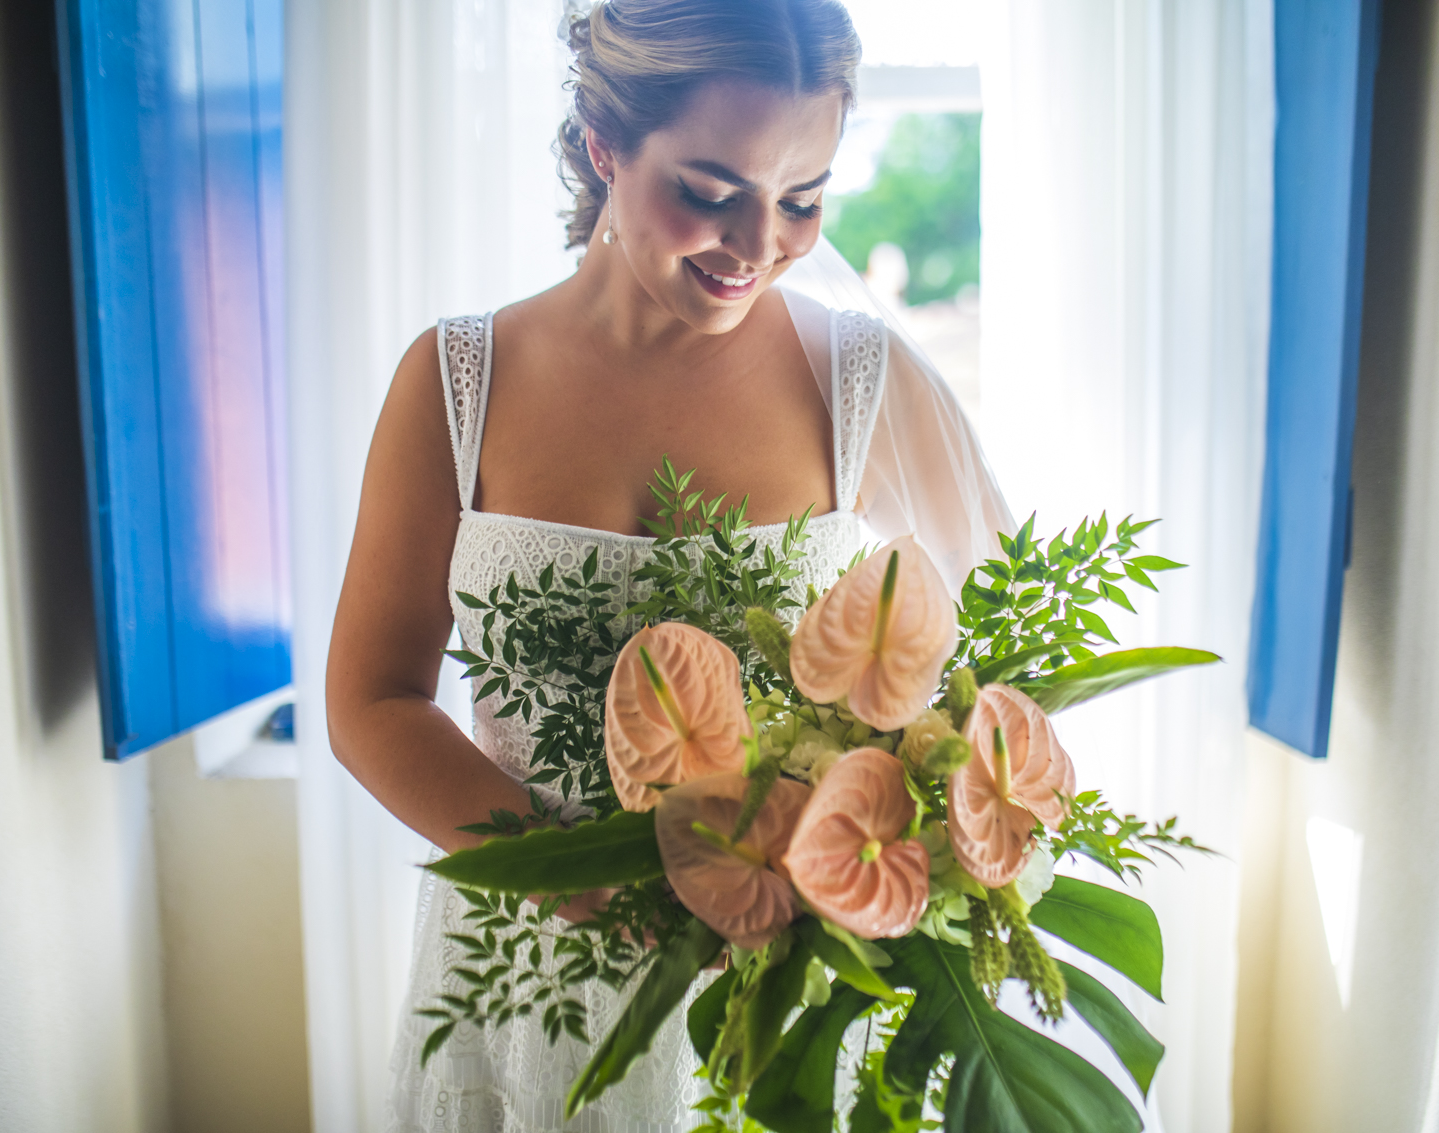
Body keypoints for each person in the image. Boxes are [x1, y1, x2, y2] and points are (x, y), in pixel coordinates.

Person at [326, 1, 1012, 1128]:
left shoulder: (860, 381)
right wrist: (579, 875)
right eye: (709, 191)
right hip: (518, 978)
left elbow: (994, 665)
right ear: (605, 145)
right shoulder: (457, 379)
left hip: (770, 992)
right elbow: (369, 699)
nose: (758, 245)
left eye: (801, 198)